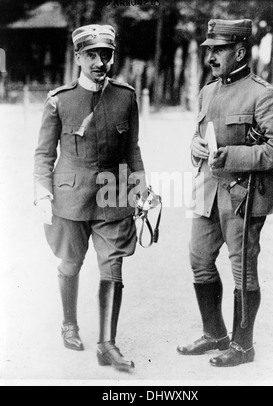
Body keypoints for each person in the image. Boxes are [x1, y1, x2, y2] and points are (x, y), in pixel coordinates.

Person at [34, 24, 147, 373]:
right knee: (70, 263)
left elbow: (132, 150)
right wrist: (42, 191)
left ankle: (107, 344)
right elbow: (43, 154)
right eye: (93, 55)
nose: (100, 62)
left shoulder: (126, 97)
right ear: (79, 56)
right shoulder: (59, 100)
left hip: (112, 194)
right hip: (70, 197)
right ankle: (69, 324)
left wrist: (141, 189)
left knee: (112, 267)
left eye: (106, 55)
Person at [177, 19, 273, 367]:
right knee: (199, 258)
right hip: (207, 190)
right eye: (209, 49)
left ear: (239, 51)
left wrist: (235, 156)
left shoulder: (263, 94)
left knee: (243, 271)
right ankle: (215, 334)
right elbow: (201, 137)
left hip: (244, 194)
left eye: (219, 49)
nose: (211, 56)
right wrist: (195, 147)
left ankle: (243, 346)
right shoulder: (208, 91)